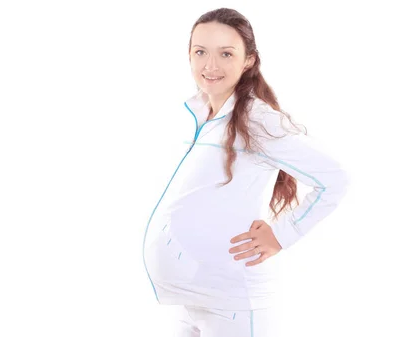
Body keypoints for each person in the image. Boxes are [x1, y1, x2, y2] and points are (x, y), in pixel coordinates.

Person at [141, 7, 350, 337]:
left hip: (231, 304)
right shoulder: (197, 113)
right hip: (189, 301)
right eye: (201, 52)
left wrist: (282, 234)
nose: (211, 65)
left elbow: (335, 178)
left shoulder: (258, 118)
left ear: (249, 60)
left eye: (226, 53)